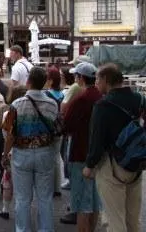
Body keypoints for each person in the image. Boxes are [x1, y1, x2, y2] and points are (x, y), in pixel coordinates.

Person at [83, 64, 145, 232]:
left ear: (105, 80)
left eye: (97, 79)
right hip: (136, 164)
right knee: (133, 219)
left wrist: (89, 165)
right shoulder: (139, 99)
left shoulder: (102, 105)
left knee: (114, 218)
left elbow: (97, 139)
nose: (96, 83)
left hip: (112, 165)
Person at [2, 67, 58, 232]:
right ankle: (46, 229)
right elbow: (56, 129)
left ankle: (23, 229)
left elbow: (10, 134)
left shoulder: (16, 104)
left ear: (28, 81)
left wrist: (6, 153)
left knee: (23, 198)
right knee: (45, 197)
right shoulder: (52, 103)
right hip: (45, 152)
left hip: (22, 153)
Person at [62, 62, 102, 232]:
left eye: (76, 76)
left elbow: (67, 125)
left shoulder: (81, 99)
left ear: (80, 78)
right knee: (94, 200)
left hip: (80, 152)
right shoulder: (101, 96)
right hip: (100, 155)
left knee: (81, 203)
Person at [0, 85, 27, 220]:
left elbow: (7, 134)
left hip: (12, 151)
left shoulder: (8, 114)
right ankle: (22, 209)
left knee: (8, 180)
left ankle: (5, 208)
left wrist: (5, 153)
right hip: (28, 150)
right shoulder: (29, 111)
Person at [44, 66, 64, 197]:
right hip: (60, 128)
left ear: (50, 81)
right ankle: (57, 187)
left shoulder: (47, 95)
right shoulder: (62, 94)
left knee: (49, 158)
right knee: (57, 157)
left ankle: (51, 186)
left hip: (50, 129)